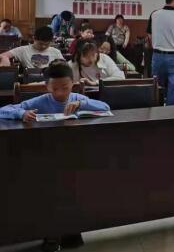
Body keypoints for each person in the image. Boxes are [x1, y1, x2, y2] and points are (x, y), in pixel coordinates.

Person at [0, 61, 109, 252]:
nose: (60, 93)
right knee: (49, 190)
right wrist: (22, 113)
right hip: (45, 156)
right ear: (46, 86)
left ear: (73, 83)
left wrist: (82, 103)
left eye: (65, 87)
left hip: (73, 154)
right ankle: (51, 233)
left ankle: (71, 230)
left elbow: (105, 106)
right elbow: (3, 110)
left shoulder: (77, 98)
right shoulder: (41, 101)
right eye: (55, 88)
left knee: (77, 187)